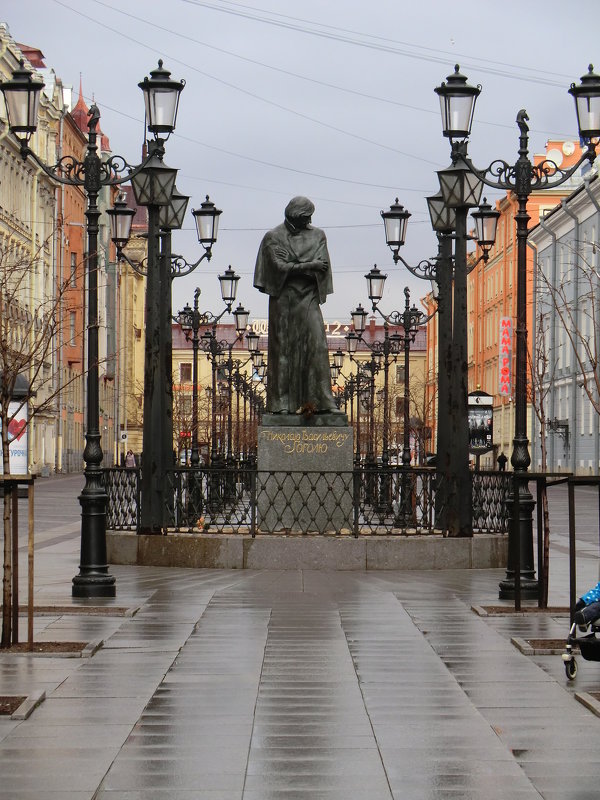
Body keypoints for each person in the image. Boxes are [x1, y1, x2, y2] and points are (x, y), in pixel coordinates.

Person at [253, 196, 340, 416]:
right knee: (283, 349)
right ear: (296, 216)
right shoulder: (273, 237)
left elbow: (323, 267)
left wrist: (293, 267)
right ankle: (281, 403)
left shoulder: (318, 235)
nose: (310, 220)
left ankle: (323, 400)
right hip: (284, 298)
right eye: (307, 216)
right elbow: (278, 267)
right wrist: (308, 265)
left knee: (318, 346)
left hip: (309, 297)